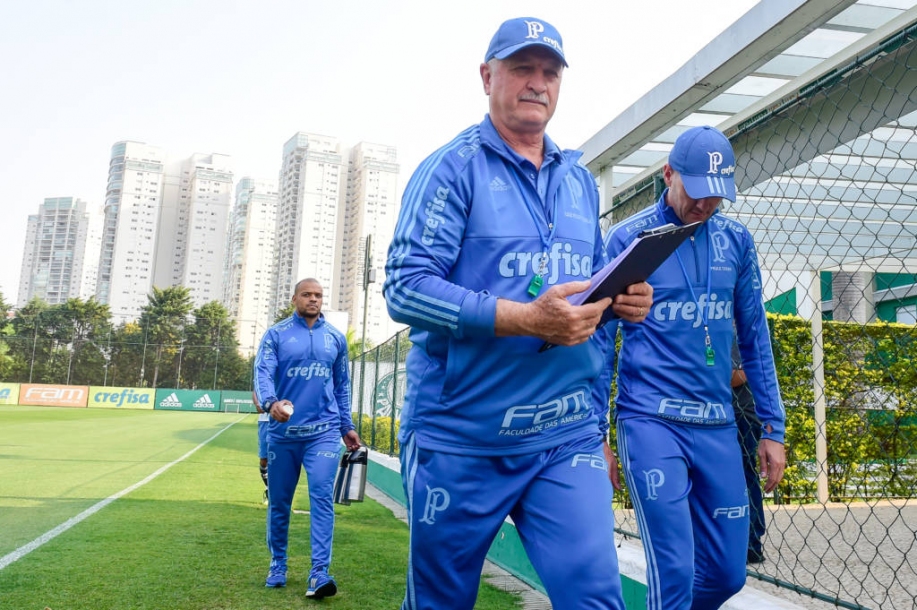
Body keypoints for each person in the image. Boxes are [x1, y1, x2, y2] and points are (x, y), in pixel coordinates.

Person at [383, 17, 653, 610]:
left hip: (564, 436)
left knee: (595, 598)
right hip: (463, 438)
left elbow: (577, 302)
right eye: (521, 68)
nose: (537, 83)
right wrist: (526, 319)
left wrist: (617, 304)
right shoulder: (449, 169)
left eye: (549, 72)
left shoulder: (580, 181)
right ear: (487, 77)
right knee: (440, 602)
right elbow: (405, 289)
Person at [601, 125, 786, 609]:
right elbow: (599, 342)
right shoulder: (628, 237)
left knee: (728, 575)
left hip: (717, 424)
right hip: (650, 421)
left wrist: (773, 427)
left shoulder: (736, 241)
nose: (706, 205)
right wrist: (595, 432)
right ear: (669, 175)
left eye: (717, 196)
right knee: (674, 570)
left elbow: (755, 339)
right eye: (697, 192)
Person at [253, 278, 362, 598]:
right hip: (283, 435)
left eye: (318, 295)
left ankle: (319, 573)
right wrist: (272, 403)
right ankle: (278, 563)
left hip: (324, 434)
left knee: (322, 499)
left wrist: (346, 425)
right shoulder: (276, 335)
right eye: (307, 295)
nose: (313, 300)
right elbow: (261, 371)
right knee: (280, 504)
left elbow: (342, 385)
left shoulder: (335, 339)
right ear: (294, 299)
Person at [732, 341, 766, 564]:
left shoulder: (735, 333)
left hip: (740, 414)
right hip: (724, 414)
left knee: (744, 475)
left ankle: (751, 541)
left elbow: (738, 375)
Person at [253, 391, 270, 504]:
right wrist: (257, 404)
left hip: (283, 421)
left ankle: (279, 492)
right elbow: (255, 390)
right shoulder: (263, 373)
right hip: (265, 420)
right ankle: (269, 488)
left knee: (283, 459)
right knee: (264, 459)